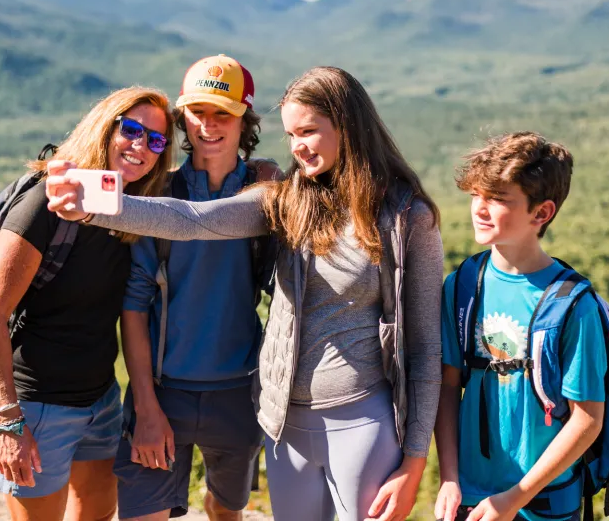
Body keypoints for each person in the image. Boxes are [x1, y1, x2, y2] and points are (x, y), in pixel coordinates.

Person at [46, 66, 444, 521]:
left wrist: (415, 462)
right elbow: (194, 220)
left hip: (363, 416)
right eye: (292, 134)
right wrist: (94, 205)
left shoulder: (407, 217)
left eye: (309, 131)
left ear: (349, 126)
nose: (298, 147)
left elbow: (427, 346)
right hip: (283, 423)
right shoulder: (286, 199)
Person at [0, 86, 175, 521]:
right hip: (36, 405)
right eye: (132, 130)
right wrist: (8, 422)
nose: (141, 146)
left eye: (156, 140)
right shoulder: (44, 205)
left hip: (100, 400)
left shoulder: (127, 207)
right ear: (105, 128)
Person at [114, 55, 280, 520]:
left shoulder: (266, 193)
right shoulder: (158, 194)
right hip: (163, 391)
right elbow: (134, 306)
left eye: (222, 113)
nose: (208, 125)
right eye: (197, 112)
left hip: (239, 392)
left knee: (226, 510)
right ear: (182, 117)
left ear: (244, 118)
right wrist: (145, 405)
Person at [433, 132, 607, 521]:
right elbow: (447, 385)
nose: (480, 208)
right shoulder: (462, 286)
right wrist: (449, 478)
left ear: (541, 213)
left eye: (498, 198)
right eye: (477, 194)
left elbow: (587, 419)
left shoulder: (574, 305)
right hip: (468, 497)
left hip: (542, 505)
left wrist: (515, 498)